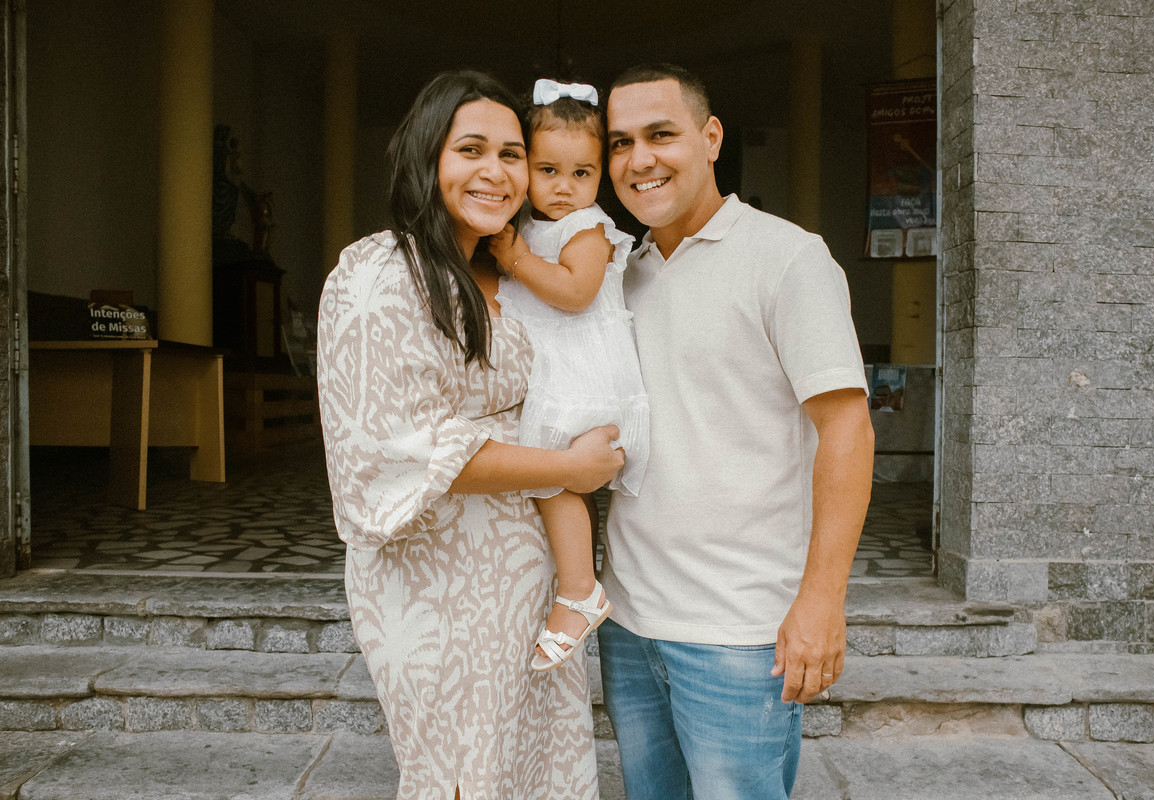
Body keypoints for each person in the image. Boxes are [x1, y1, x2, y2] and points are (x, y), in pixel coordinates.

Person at [317, 69, 624, 800]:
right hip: (433, 580)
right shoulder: (380, 272)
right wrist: (566, 468)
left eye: (512, 154)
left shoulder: (512, 271)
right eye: (471, 150)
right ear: (428, 157)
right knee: (459, 777)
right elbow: (397, 446)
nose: (496, 171)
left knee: (538, 771)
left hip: (528, 581)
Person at [598, 63, 875, 800]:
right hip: (628, 621)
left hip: (741, 630)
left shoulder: (786, 257)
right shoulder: (618, 272)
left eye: (661, 134)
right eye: (620, 142)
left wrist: (822, 599)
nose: (639, 159)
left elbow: (847, 428)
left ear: (711, 137)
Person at [487, 78, 649, 672]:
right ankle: (574, 583)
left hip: (587, 373)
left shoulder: (586, 228)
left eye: (582, 173)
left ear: (601, 175)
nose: (564, 186)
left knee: (554, 476)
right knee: (555, 481)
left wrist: (517, 260)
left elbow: (577, 293)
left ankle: (580, 590)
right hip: (562, 371)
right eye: (548, 170)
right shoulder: (533, 228)